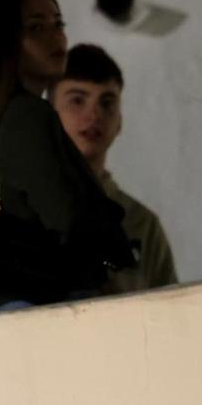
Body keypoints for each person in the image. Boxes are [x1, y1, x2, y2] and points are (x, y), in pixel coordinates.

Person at [0, 0, 134, 320]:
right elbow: (69, 219)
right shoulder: (26, 116)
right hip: (42, 314)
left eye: (59, 24)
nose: (56, 37)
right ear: (5, 43)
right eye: (36, 27)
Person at [51, 43, 178, 293]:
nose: (93, 115)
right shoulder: (13, 211)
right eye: (77, 100)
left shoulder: (141, 225)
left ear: (119, 122)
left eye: (107, 103)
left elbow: (171, 318)